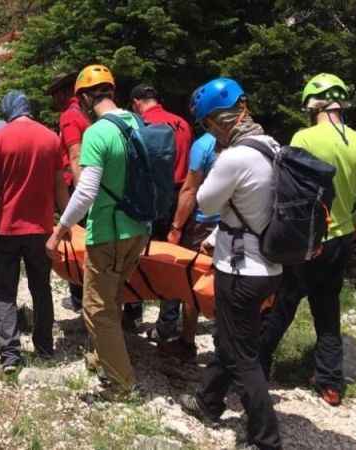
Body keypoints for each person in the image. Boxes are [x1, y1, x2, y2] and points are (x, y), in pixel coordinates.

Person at [259, 74, 356, 407]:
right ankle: (330, 384)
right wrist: (355, 222)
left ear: (313, 105)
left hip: (308, 238)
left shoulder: (304, 137)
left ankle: (258, 366)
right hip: (340, 239)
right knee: (328, 310)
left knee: (283, 302)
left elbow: (288, 190)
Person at [177, 78, 283, 450]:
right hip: (269, 265)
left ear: (219, 121)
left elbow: (205, 203)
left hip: (239, 269)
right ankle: (208, 400)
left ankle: (265, 438)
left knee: (244, 355)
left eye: (208, 126)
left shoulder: (235, 156)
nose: (209, 134)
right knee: (232, 337)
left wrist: (218, 168)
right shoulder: (272, 145)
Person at [46, 65, 150, 399]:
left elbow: (87, 191)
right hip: (138, 228)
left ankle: (120, 385)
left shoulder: (96, 133)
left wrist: (60, 231)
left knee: (95, 307)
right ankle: (107, 357)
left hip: (108, 232)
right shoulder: (138, 123)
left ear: (86, 98)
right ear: (112, 91)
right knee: (114, 296)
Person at [0, 90, 69, 372]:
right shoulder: (51, 138)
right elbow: (59, 187)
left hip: (8, 228)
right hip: (42, 228)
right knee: (41, 288)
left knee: (5, 292)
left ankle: (10, 355)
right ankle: (44, 347)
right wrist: (68, 223)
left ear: (7, 112)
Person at [123, 84, 194, 333]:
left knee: (134, 256)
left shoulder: (139, 124)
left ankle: (131, 313)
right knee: (172, 259)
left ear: (136, 102)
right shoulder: (183, 124)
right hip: (179, 197)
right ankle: (167, 322)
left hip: (149, 196)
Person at [151, 132, 220, 360]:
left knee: (194, 282)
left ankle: (187, 342)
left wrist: (176, 227)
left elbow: (190, 190)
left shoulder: (203, 145)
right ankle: (226, 348)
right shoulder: (247, 144)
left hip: (203, 223)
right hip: (234, 226)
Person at [47, 71, 91, 313]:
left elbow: (76, 155)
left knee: (75, 240)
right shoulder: (84, 114)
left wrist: (79, 196)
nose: (52, 101)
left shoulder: (69, 116)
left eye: (54, 95)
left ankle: (79, 298)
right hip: (82, 184)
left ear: (64, 93)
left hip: (75, 186)